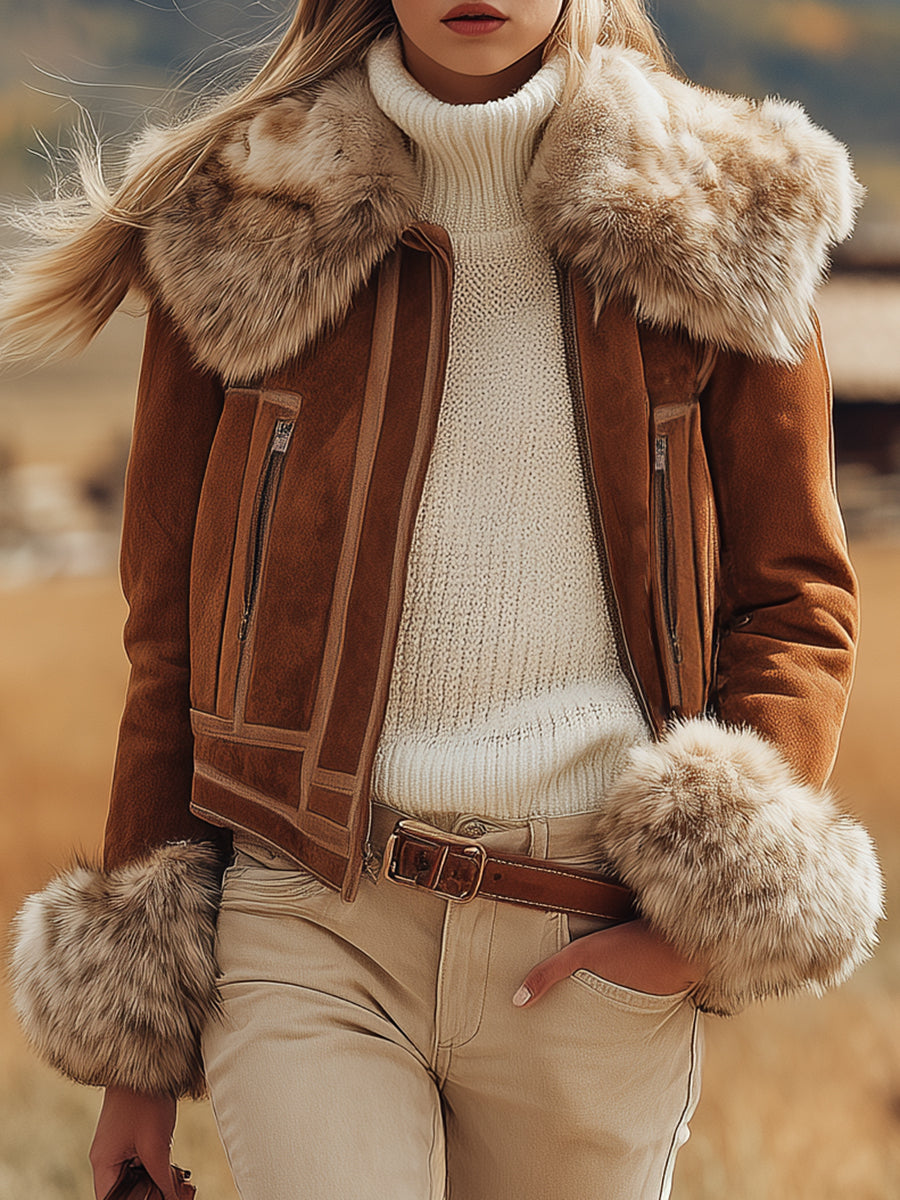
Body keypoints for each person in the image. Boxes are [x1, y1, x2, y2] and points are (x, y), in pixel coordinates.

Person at [4, 2, 884, 1198]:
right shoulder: (244, 222)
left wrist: (698, 923)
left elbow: (794, 597)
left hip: (584, 930)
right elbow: (173, 647)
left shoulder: (714, 213)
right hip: (309, 917)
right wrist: (137, 1055)